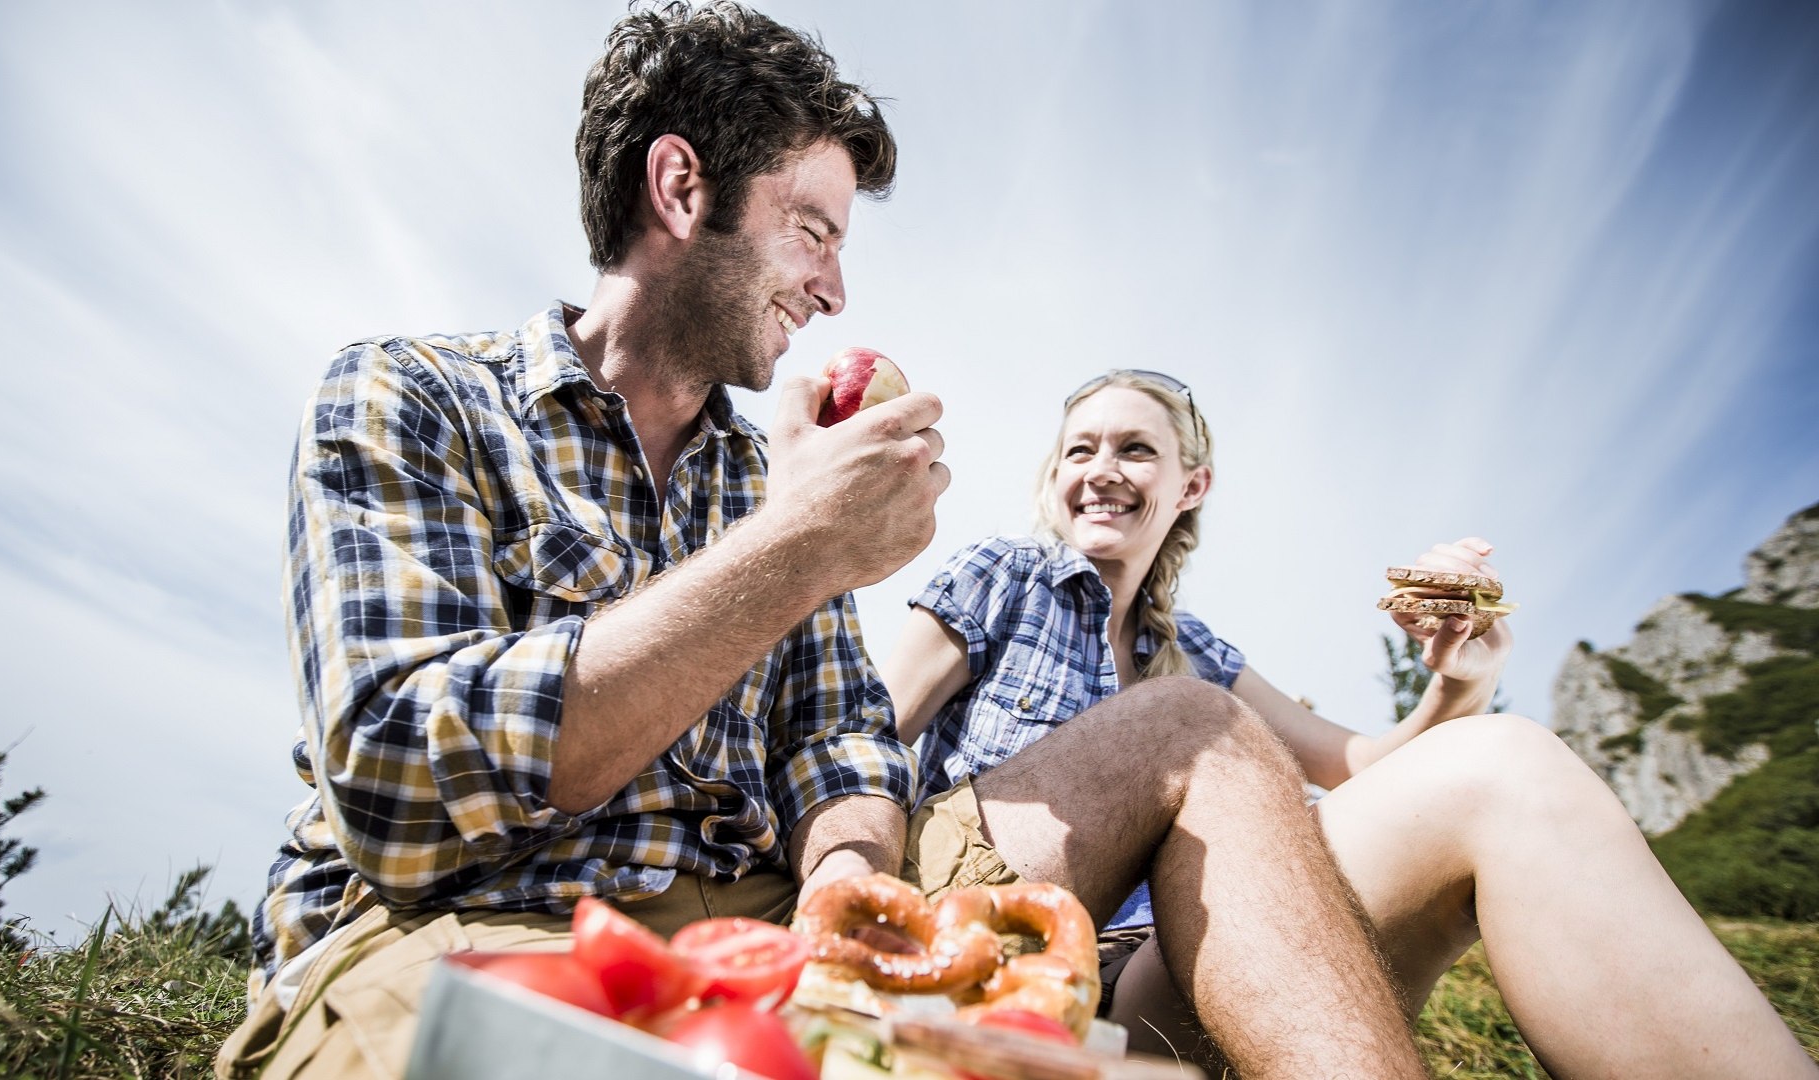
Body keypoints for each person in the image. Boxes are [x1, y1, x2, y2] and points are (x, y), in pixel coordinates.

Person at [218, 7, 1435, 1079]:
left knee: (1191, 725)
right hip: (469, 925)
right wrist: (799, 547)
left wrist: (843, 882)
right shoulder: (410, 398)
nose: (836, 290)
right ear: (682, 190)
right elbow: (395, 783)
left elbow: (840, 736)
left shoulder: (764, 468)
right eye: (811, 229)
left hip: (768, 913)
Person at [883, 368, 1819, 1078]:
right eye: (1078, 450)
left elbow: (1364, 769)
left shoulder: (1196, 651)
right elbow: (866, 741)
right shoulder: (1002, 575)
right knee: (1189, 726)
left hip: (1152, 980)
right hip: (988, 937)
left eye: (1134, 449)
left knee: (1501, 768)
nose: (1100, 471)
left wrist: (1455, 685)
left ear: (1191, 487)